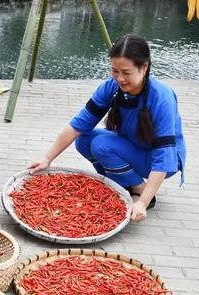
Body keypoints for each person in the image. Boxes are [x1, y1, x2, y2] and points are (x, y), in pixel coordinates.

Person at [27, 34, 186, 222]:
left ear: (144, 68)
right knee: (84, 139)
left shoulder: (162, 97)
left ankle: (139, 189)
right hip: (134, 146)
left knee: (102, 144)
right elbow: (78, 124)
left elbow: (163, 158)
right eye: (114, 71)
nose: (120, 78)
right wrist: (47, 158)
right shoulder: (112, 87)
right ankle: (123, 182)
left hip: (161, 160)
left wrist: (143, 202)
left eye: (126, 73)